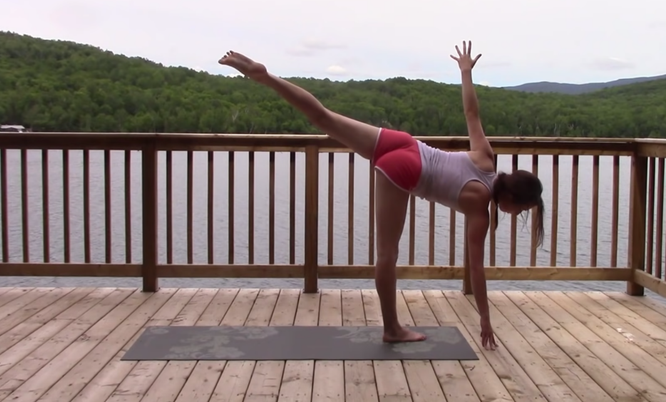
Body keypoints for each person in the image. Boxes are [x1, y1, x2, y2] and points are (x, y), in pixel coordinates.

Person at [218, 41, 545, 350]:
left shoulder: (486, 158)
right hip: (407, 169)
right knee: (386, 252)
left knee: (324, 118)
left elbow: (472, 114)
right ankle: (391, 329)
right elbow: (477, 269)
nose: (517, 215)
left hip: (405, 143)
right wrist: (485, 318)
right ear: (512, 199)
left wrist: (465, 72)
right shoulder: (480, 213)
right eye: (522, 210)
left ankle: (266, 77)